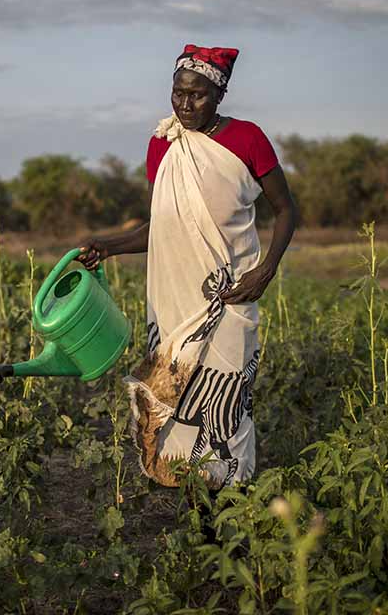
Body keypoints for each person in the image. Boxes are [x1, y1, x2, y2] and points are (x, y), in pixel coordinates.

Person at [78, 44, 297, 490]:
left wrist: (267, 269)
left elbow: (287, 210)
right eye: (178, 93)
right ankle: (198, 511)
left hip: (231, 296)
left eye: (197, 95)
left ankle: (234, 502)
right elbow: (162, 226)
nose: (185, 104)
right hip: (174, 302)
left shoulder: (247, 139)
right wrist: (109, 245)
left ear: (219, 95)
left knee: (226, 403)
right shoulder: (163, 144)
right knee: (178, 408)